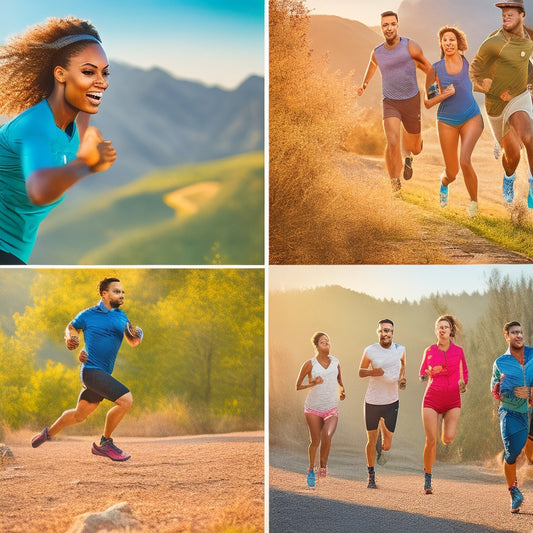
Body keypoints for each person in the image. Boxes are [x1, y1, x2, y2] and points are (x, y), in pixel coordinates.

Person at [0, 17, 116, 265]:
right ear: (60, 74)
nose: (103, 82)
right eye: (88, 72)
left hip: (15, 251)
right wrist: (86, 165)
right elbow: (39, 190)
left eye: (104, 73)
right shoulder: (34, 126)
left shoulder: (76, 117)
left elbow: (81, 127)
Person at [31, 277, 143, 461]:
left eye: (123, 292)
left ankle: (47, 433)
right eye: (117, 291)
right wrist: (70, 338)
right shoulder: (88, 315)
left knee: (79, 415)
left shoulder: (122, 316)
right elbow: (71, 328)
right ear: (104, 294)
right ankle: (105, 443)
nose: (121, 295)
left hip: (103, 374)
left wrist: (139, 335)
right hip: (91, 371)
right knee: (126, 401)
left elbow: (133, 342)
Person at [358, 10, 432, 192]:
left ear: (397, 25)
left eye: (392, 24)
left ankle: (410, 156)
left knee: (415, 147)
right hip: (390, 101)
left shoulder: (410, 46)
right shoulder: (377, 52)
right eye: (385, 25)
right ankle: (395, 183)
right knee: (392, 141)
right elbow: (372, 64)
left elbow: (428, 67)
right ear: (381, 28)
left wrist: (434, 88)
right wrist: (364, 84)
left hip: (411, 100)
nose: (389, 28)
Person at [470, 0, 533, 208]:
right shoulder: (494, 42)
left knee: (529, 136)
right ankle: (508, 177)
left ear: (522, 14)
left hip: (520, 97)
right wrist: (490, 88)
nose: (505, 16)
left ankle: (532, 184)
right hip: (496, 104)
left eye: (510, 13)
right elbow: (474, 71)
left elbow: (526, 63)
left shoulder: (530, 37)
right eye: (503, 14)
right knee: (513, 154)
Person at [424, 26, 483, 217]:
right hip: (447, 121)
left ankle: (473, 205)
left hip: (471, 117)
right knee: (452, 171)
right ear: (441, 44)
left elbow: (482, 82)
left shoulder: (469, 63)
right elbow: (427, 102)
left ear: (458, 43)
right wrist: (444, 94)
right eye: (445, 40)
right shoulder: (436, 69)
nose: (448, 43)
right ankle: (444, 183)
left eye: (452, 40)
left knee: (465, 160)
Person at [419, 315, 468, 495]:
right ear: (435, 330)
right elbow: (422, 372)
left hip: (452, 400)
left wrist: (464, 384)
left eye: (445, 327)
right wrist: (427, 374)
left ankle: (444, 431)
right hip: (431, 398)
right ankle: (427, 478)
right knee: (431, 441)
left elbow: (465, 374)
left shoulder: (459, 351)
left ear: (451, 331)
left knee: (447, 439)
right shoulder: (429, 350)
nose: (442, 329)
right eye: (439, 327)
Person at [358, 319, 406, 489]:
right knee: (370, 439)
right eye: (382, 330)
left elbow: (402, 369)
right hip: (372, 400)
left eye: (389, 330)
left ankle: (382, 437)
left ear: (393, 332)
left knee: (386, 445)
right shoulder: (370, 350)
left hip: (391, 400)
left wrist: (402, 380)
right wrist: (373, 372)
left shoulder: (400, 350)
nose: (385, 333)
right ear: (377, 332)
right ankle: (371, 476)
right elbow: (361, 372)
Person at [491, 321, 533, 513]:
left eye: (520, 332)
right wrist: (507, 389)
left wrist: (530, 391)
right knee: (512, 453)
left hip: (528, 413)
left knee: (529, 453)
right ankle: (514, 492)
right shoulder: (500, 362)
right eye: (514, 332)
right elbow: (495, 391)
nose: (518, 335)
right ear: (506, 336)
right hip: (508, 412)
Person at [296, 332, 346, 487]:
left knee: (328, 435)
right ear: (317, 345)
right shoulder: (309, 364)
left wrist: (342, 390)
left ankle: (323, 466)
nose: (327, 344)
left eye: (329, 342)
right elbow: (298, 386)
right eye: (324, 342)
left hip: (331, 407)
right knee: (315, 441)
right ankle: (312, 468)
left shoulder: (336, 361)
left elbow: (339, 380)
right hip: (313, 408)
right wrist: (313, 384)